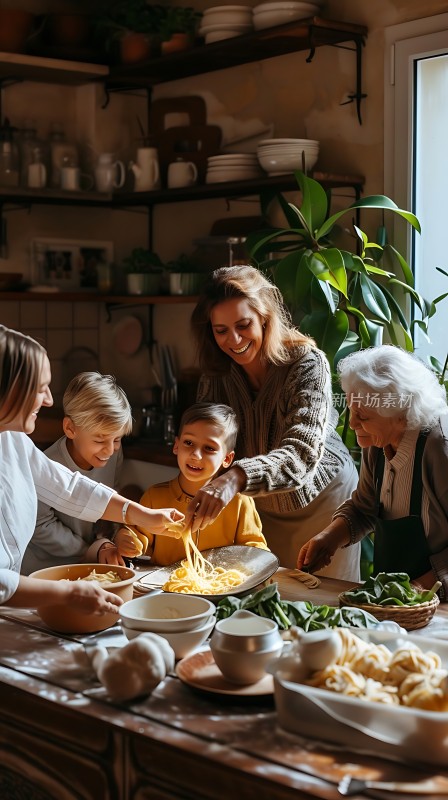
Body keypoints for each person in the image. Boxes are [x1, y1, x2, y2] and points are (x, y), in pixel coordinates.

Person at [183, 265, 360, 580]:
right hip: (259, 506)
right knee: (267, 600)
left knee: (324, 605)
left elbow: (301, 453)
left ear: (265, 317)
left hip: (323, 503)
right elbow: (206, 443)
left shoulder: (306, 363)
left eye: (244, 325)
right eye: (220, 330)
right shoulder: (216, 375)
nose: (233, 340)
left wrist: (234, 478)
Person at [0, 325, 184, 614]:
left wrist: (141, 515)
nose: (49, 400)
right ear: (8, 391)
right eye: (40, 388)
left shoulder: (14, 441)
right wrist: (67, 593)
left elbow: (70, 488)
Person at [297, 345, 448, 598]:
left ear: (401, 415)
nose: (353, 423)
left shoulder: (438, 446)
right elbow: (365, 507)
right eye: (351, 410)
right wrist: (329, 538)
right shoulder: (378, 439)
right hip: (394, 594)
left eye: (363, 416)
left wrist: (420, 588)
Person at [114, 401, 268, 565]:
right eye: (189, 443)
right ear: (176, 446)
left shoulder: (240, 502)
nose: (196, 455)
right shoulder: (154, 496)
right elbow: (139, 534)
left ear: (227, 459)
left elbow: (255, 549)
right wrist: (126, 538)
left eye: (209, 448)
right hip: (165, 587)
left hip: (220, 588)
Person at [22, 371, 133, 575]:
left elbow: (109, 498)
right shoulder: (47, 465)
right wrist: (90, 549)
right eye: (100, 441)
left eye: (117, 439)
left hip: (91, 561)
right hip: (45, 569)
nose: (110, 450)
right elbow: (40, 526)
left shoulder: (111, 455)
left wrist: (110, 538)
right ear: (70, 428)